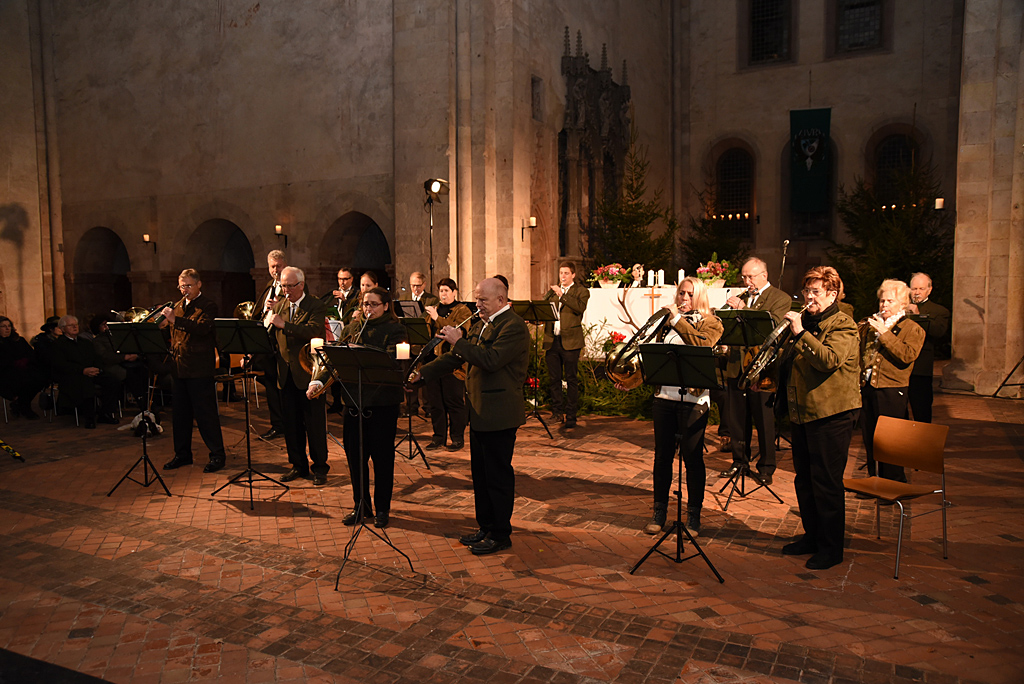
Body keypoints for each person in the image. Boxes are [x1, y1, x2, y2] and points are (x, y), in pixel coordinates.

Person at [412, 278, 529, 555]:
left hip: (498, 412)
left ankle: (500, 533)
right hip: (478, 410)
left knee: (497, 476)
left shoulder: (512, 326)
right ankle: (485, 527)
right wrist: (423, 374)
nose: (477, 305)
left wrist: (459, 341)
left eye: (482, 300)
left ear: (501, 300)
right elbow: (456, 357)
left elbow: (490, 360)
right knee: (481, 475)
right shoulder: (481, 324)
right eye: (476, 299)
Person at [624, 278, 723, 537]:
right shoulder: (666, 323)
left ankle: (694, 516)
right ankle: (659, 512)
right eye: (681, 293)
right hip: (664, 398)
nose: (684, 298)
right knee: (662, 457)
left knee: (692, 459)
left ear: (699, 296)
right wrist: (630, 381)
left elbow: (702, 345)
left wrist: (677, 319)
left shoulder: (712, 322)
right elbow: (653, 357)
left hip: (694, 401)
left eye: (690, 294)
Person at [777, 266, 861, 571]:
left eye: (815, 292)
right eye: (806, 291)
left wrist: (800, 333)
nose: (808, 297)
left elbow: (828, 360)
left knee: (826, 482)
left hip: (831, 414)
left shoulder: (843, 324)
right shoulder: (810, 322)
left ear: (832, 294)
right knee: (805, 480)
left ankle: (831, 548)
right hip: (803, 412)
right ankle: (812, 537)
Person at [313, 287, 407, 527]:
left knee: (382, 459)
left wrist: (361, 353)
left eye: (374, 304)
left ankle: (382, 508)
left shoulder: (395, 329)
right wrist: (319, 381)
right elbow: (334, 360)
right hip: (353, 401)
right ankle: (361, 505)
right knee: (355, 458)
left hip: (382, 403)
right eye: (365, 304)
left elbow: (392, 360)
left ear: (385, 306)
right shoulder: (352, 329)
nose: (368, 309)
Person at [720, 257, 792, 485]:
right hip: (737, 366)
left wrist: (743, 310)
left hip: (762, 367)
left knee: (763, 420)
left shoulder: (779, 298)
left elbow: (773, 328)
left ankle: (766, 466)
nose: (746, 281)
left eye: (750, 276)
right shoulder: (743, 297)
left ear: (764, 275)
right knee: (737, 420)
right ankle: (739, 461)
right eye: (744, 277)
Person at [859, 279, 925, 483]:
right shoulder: (871, 324)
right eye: (882, 301)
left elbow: (907, 355)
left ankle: (894, 482)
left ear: (902, 304)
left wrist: (884, 333)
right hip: (868, 386)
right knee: (870, 437)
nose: (884, 305)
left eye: (890, 301)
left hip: (892, 390)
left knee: (890, 440)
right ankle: (874, 479)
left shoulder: (911, 328)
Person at [162, 269, 228, 472]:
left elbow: (202, 328)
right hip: (179, 368)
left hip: (199, 370)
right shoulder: (177, 306)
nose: (185, 290)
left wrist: (175, 320)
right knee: (180, 416)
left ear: (199, 285)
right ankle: (182, 454)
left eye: (188, 286)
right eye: (182, 286)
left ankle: (217, 455)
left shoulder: (208, 305)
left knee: (206, 415)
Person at [270, 266, 329, 485]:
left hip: (308, 373)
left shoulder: (315, 305)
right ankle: (298, 465)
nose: (285, 290)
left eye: (290, 286)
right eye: (283, 286)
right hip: (286, 374)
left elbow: (313, 331)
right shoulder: (280, 306)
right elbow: (273, 337)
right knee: (291, 424)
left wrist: (284, 325)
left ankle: (320, 467)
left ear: (301, 285)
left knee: (314, 425)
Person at [422, 278, 473, 451]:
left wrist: (437, 318)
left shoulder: (462, 310)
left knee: (454, 402)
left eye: (446, 291)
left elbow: (457, 331)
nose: (443, 294)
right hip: (433, 362)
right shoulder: (434, 309)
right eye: (441, 291)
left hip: (452, 363)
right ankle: (438, 437)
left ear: (454, 292)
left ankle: (457, 438)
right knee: (435, 403)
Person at [543, 261, 591, 429]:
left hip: (571, 341)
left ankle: (571, 415)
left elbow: (579, 308)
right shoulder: (552, 293)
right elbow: (544, 308)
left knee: (571, 379)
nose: (562, 276)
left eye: (566, 273)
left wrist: (562, 295)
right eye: (561, 273)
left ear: (573, 275)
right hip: (552, 340)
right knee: (554, 379)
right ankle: (557, 413)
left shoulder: (581, 291)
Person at [52, 315, 121, 428]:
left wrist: (97, 368)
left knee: (112, 381)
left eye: (76, 324)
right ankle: (89, 417)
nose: (75, 327)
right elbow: (61, 365)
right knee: (85, 384)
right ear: (63, 329)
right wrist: (83, 370)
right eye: (71, 325)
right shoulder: (58, 345)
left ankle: (105, 413)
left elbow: (96, 358)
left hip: (91, 372)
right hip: (73, 375)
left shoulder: (85, 342)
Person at [252, 250, 288, 440]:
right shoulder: (269, 286)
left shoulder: (291, 286)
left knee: (283, 387)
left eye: (279, 266)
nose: (276, 270)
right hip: (267, 341)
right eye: (272, 266)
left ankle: (289, 423)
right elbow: (259, 312)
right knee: (271, 386)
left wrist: (278, 307)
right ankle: (277, 424)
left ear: (285, 266)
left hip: (282, 342)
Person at [906, 272, 950, 423]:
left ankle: (922, 437)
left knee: (921, 410)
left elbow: (939, 332)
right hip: (899, 367)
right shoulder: (899, 306)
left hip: (920, 368)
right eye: (914, 289)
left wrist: (918, 316)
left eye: (921, 289)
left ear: (929, 290)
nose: (917, 292)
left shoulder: (939, 311)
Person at [89, 314, 147, 409]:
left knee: (142, 370)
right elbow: (105, 357)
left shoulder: (116, 336)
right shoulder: (98, 341)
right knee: (129, 375)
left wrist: (134, 355)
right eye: (103, 325)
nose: (106, 327)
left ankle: (147, 400)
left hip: (124, 362)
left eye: (107, 324)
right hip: (109, 366)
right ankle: (142, 403)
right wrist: (124, 357)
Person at [0, 316, 46, 419]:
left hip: (25, 369)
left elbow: (31, 354)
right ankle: (24, 406)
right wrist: (14, 363)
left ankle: (20, 403)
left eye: (9, 326)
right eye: (3, 326)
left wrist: (25, 361)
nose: (7, 329)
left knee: (40, 378)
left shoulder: (19, 340)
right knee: (22, 379)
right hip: (5, 372)